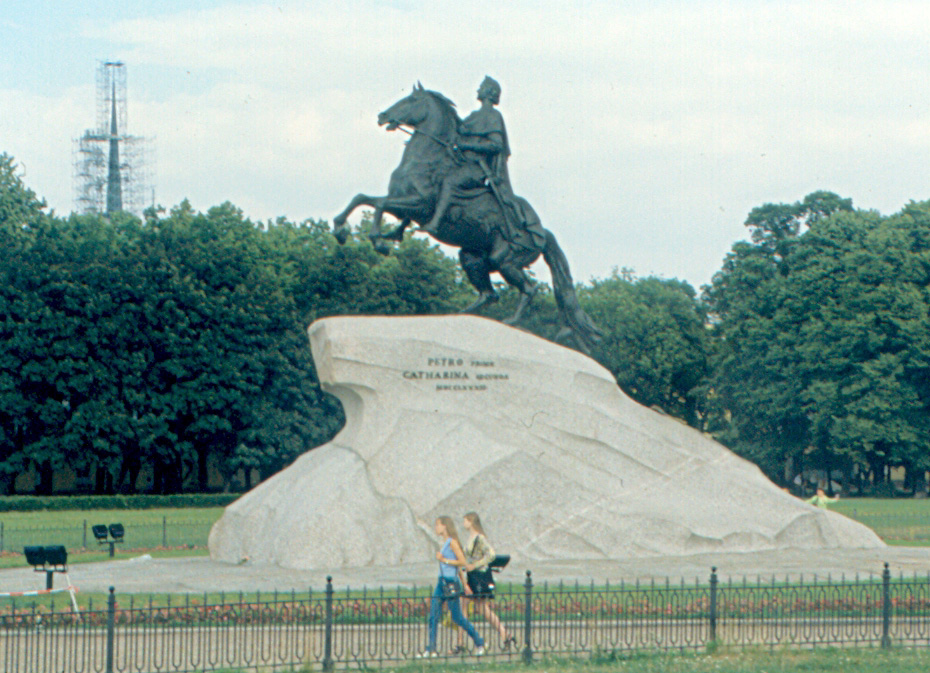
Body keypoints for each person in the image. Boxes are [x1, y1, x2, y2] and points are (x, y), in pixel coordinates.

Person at [422, 76, 530, 264]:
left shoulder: (493, 116)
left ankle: (436, 221)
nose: (477, 90)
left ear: (489, 93)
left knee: (450, 182)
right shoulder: (473, 116)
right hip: (464, 164)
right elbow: (458, 132)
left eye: (481, 87)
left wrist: (466, 144)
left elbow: (496, 145)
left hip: (478, 169)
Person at [417, 516, 486, 658]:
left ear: (445, 526)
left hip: (450, 583)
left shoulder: (452, 543)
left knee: (457, 617)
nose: (436, 528)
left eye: (438, 525)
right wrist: (464, 582)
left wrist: (444, 560)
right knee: (433, 615)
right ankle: (431, 649)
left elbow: (461, 561)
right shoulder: (444, 543)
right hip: (441, 582)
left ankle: (480, 643)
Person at [453, 512, 516, 653]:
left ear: (471, 521)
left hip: (479, 576)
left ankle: (505, 634)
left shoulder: (480, 538)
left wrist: (474, 565)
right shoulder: (471, 538)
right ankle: (460, 642)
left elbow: (491, 555)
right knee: (466, 608)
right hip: (471, 576)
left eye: (465, 521)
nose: (463, 523)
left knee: (481, 609)